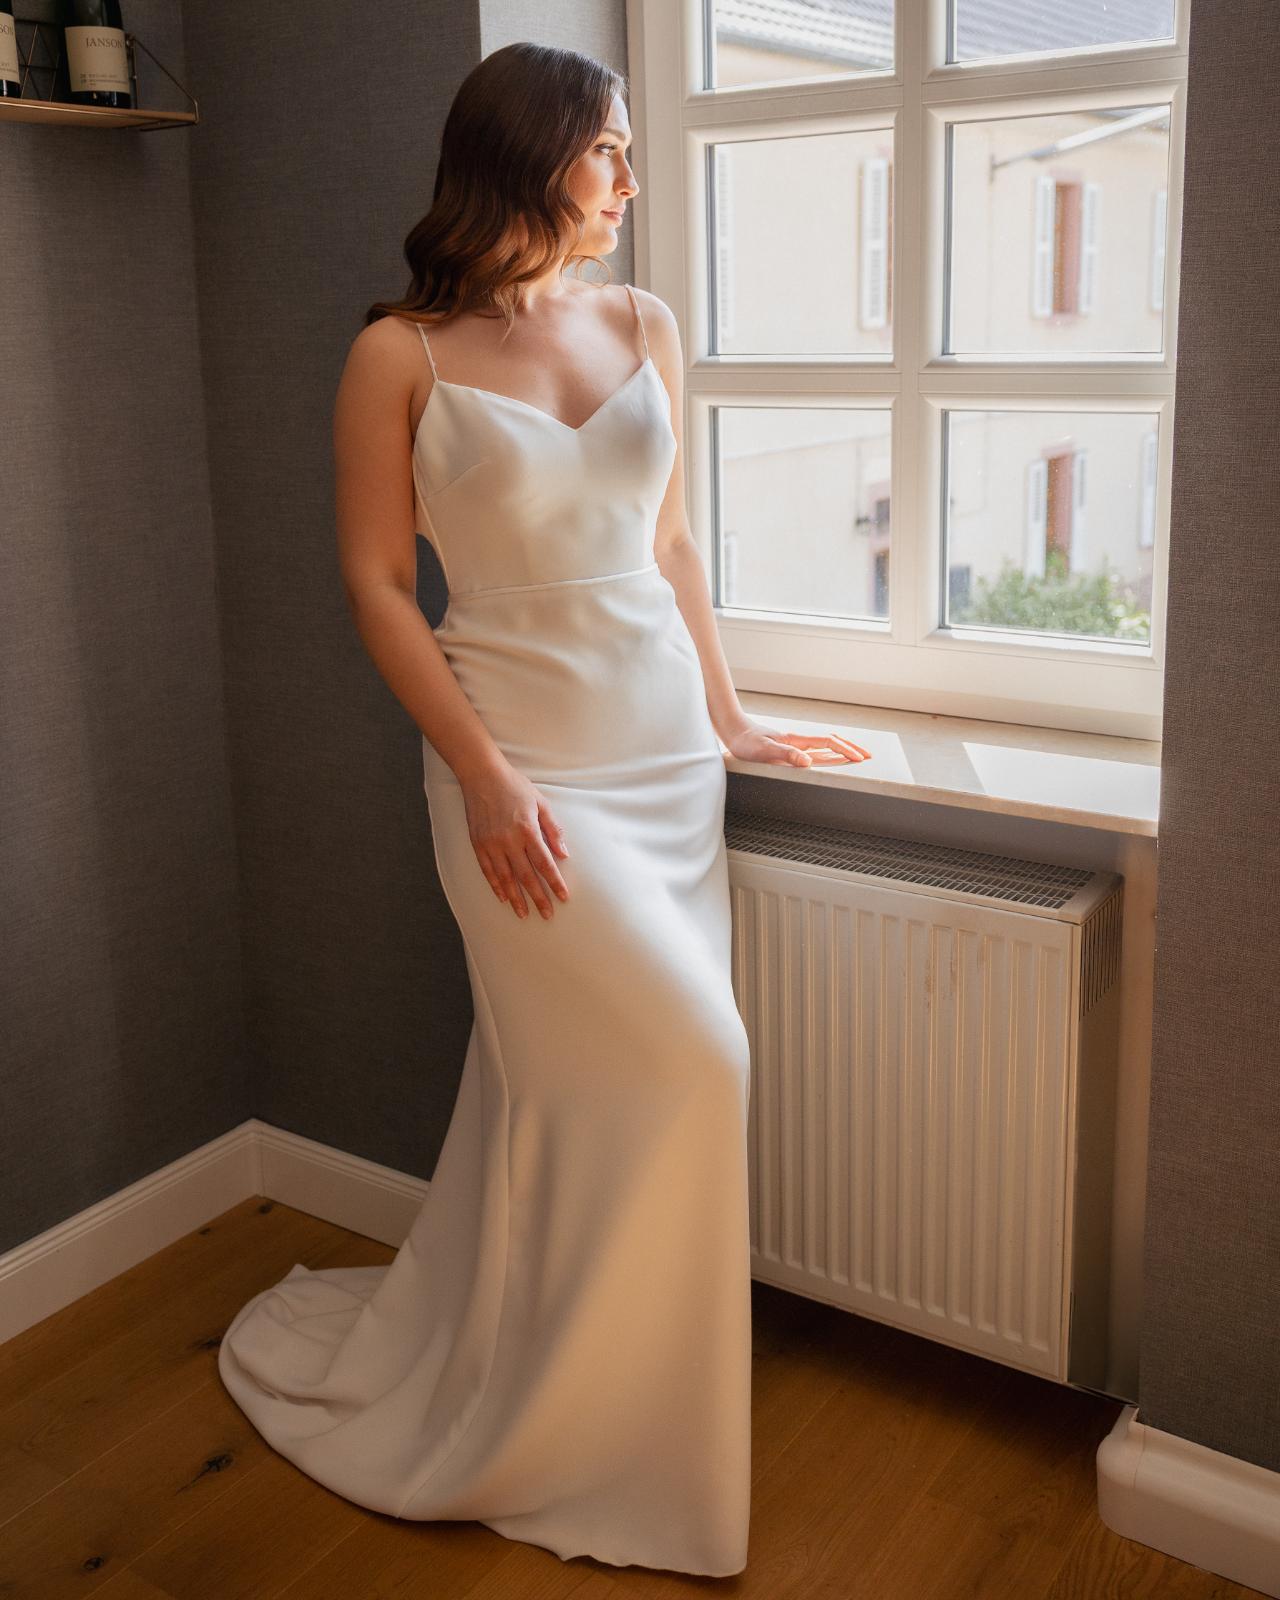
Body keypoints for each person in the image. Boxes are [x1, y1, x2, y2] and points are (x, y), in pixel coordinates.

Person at [216, 40, 871, 1580]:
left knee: (574, 1100)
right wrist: (484, 773)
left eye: (636, 152)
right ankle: (565, 1426)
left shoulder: (645, 322)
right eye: (611, 153)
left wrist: (733, 716)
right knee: (698, 1064)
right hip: (519, 774)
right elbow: (378, 584)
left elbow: (675, 550)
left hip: (663, 764)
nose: (634, 182)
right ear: (526, 155)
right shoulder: (401, 353)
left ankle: (589, 1398)